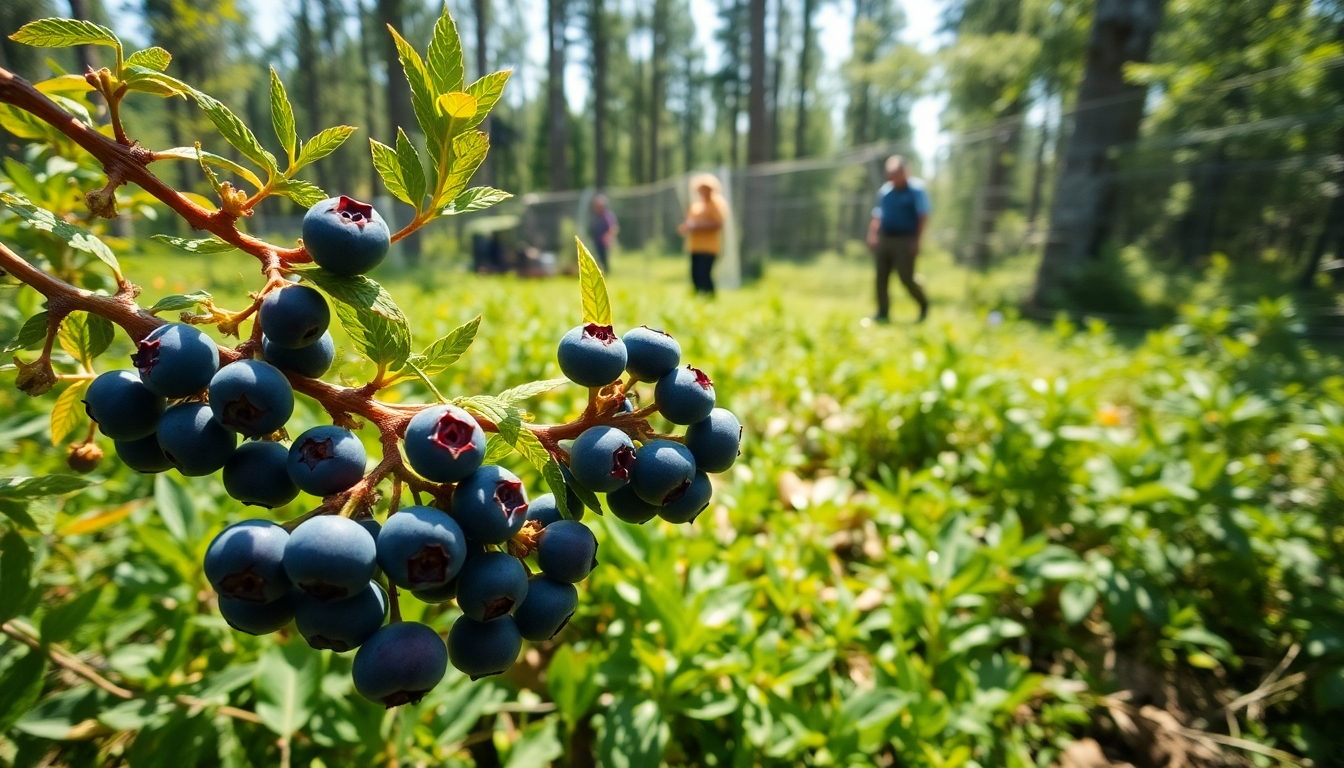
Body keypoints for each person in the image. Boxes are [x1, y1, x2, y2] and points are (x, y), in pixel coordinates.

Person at [867, 155, 930, 322]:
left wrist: (917, 240)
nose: (893, 178)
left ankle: (924, 305)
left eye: (896, 173)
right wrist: (872, 235)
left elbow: (922, 216)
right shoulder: (885, 192)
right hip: (885, 238)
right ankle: (882, 312)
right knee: (881, 276)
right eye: (890, 174)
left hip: (905, 239)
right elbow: (877, 216)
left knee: (906, 277)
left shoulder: (916, 191)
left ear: (905, 172)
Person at [678, 173, 726, 295]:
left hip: (709, 247)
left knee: (705, 274)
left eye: (707, 189)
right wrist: (687, 227)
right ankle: (698, 298)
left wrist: (697, 226)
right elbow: (690, 221)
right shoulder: (696, 205)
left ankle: (709, 299)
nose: (704, 192)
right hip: (695, 246)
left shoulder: (717, 204)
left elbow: (718, 224)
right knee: (695, 275)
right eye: (702, 189)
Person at [588, 194, 618, 272]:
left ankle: (606, 272)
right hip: (596, 241)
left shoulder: (607, 216)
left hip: (604, 242)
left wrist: (607, 236)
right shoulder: (595, 216)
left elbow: (614, 228)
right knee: (597, 258)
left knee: (604, 258)